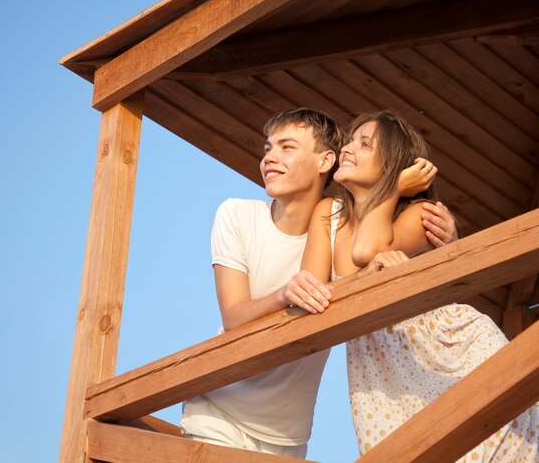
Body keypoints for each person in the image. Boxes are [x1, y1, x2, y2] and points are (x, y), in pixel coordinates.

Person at [180, 108, 457, 458]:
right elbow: (235, 317)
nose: (270, 158)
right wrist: (285, 294)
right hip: (219, 411)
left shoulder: (344, 222)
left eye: (286, 147)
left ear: (325, 159)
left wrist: (451, 238)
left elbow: (365, 262)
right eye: (268, 148)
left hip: (289, 433)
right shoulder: (238, 214)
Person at [301, 110, 538, 462]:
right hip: (381, 373)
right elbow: (312, 292)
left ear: (393, 165)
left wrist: (394, 190)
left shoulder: (419, 212)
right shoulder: (328, 214)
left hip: (449, 352)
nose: (348, 148)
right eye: (351, 139)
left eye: (364, 143)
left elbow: (367, 251)